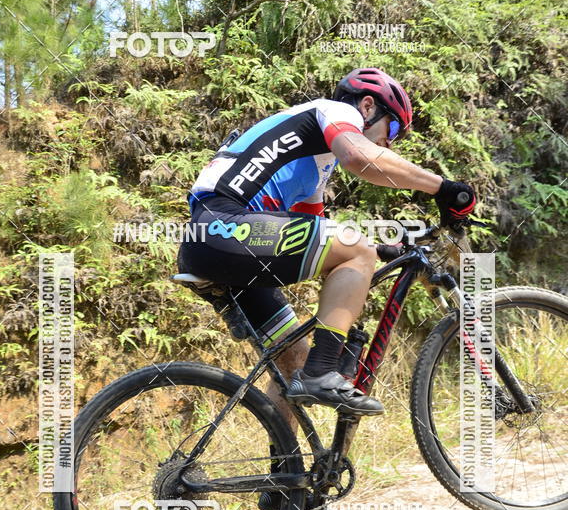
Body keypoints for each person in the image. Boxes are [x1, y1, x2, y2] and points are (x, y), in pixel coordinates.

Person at [178, 67, 475, 423]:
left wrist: (381, 250)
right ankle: (322, 372)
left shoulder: (316, 162)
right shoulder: (333, 111)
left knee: (294, 362)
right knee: (356, 249)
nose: (389, 143)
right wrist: (443, 188)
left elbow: (318, 232)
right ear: (368, 106)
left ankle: (282, 472)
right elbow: (360, 158)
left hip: (217, 242)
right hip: (224, 227)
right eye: (393, 128)